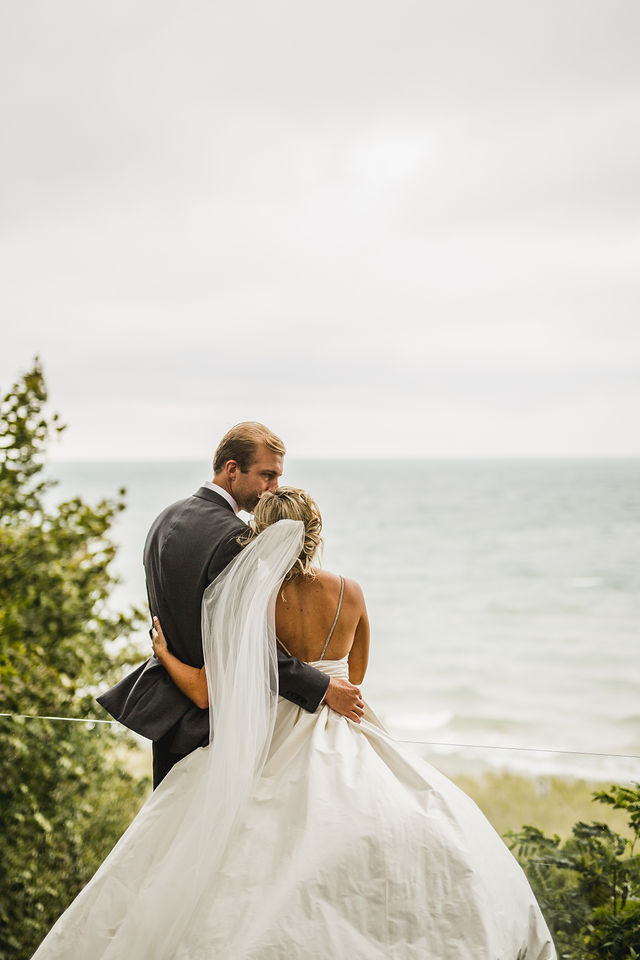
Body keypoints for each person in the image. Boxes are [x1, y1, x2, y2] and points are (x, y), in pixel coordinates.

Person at [31, 487, 556, 959]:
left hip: (273, 725)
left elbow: (214, 686)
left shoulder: (253, 600)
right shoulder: (350, 590)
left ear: (259, 535)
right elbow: (356, 673)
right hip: (343, 714)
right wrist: (329, 688)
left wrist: (165, 653)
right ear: (316, 532)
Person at [96, 422, 364, 787]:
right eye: (266, 475)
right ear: (232, 469)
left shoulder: (165, 518)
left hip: (169, 709)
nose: (273, 488)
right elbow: (249, 641)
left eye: (277, 477)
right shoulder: (235, 539)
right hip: (214, 722)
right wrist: (323, 687)